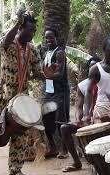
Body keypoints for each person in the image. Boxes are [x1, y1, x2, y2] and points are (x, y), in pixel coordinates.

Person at [0, 12, 41, 175]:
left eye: (34, 31)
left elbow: (36, 72)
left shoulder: (33, 49)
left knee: (21, 136)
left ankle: (15, 170)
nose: (32, 34)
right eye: (30, 30)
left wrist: (47, 74)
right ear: (21, 28)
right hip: (4, 96)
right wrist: (16, 23)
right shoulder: (8, 44)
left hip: (22, 97)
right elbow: (4, 41)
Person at [60, 56, 102, 172]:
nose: (93, 68)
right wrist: (81, 118)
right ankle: (76, 162)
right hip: (87, 120)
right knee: (64, 128)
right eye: (90, 66)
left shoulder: (105, 82)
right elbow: (78, 106)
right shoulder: (83, 85)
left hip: (102, 119)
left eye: (96, 66)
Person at [83, 37, 110, 124]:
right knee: (101, 136)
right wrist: (86, 114)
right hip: (102, 108)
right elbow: (88, 92)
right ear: (104, 49)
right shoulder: (95, 69)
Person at [41, 28, 70, 159]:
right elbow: (46, 71)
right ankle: (53, 148)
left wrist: (46, 75)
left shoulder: (59, 53)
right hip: (49, 92)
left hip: (60, 92)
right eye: (46, 38)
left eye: (51, 37)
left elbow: (59, 74)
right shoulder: (46, 53)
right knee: (47, 120)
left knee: (60, 121)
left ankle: (64, 150)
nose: (48, 40)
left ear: (56, 38)